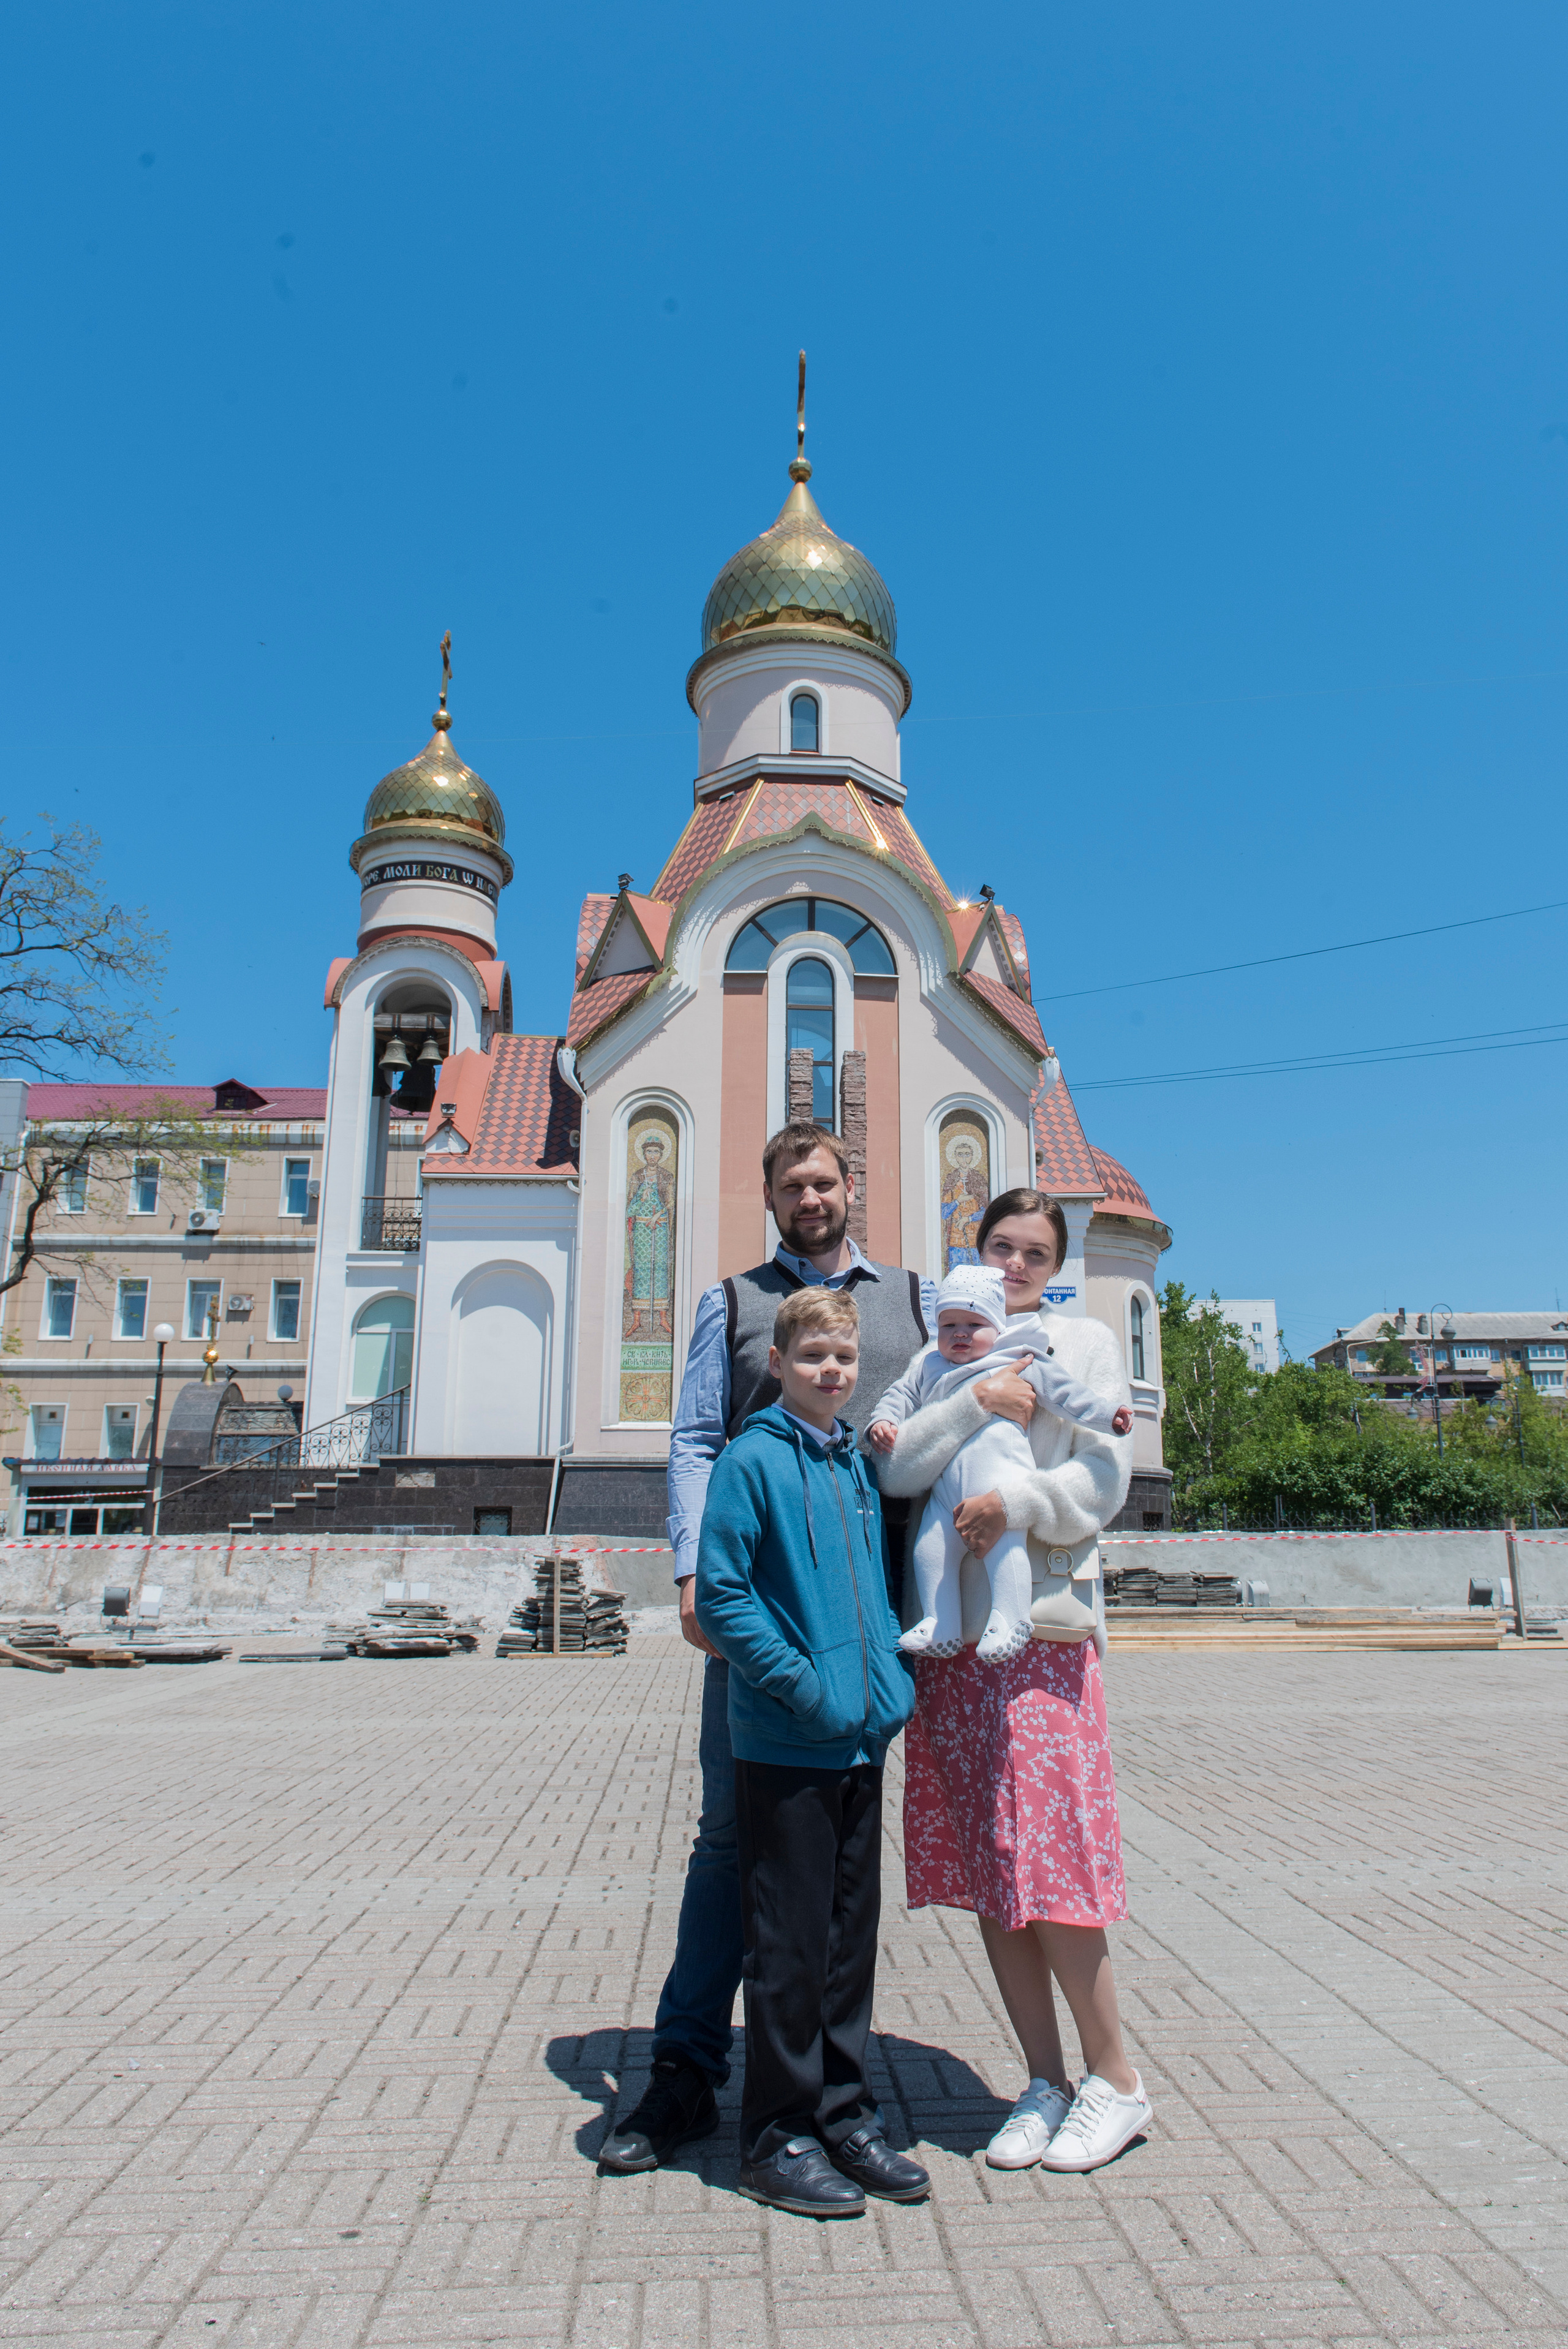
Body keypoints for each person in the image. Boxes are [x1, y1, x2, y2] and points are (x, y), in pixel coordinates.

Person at [597, 1121, 935, 2176]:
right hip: (764, 1613)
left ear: (851, 1186)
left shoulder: (913, 1299)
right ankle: (687, 2069)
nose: (811, 1197)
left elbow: (958, 1408)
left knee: (840, 1861)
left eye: (825, 1180)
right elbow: (697, 1437)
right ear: (772, 1196)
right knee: (730, 1838)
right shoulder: (735, 1303)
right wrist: (693, 1572)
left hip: (873, 1616)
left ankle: (833, 2092)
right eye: (793, 1184)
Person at [878, 1188, 1155, 2175]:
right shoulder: (946, 1342)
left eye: (1035, 1250)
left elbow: (1107, 1476)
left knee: (1057, 1858)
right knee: (996, 1863)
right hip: (957, 1645)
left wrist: (1019, 1501)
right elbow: (900, 1471)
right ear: (977, 1250)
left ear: (1056, 1262)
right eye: (1001, 1245)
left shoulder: (1079, 1342)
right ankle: (1043, 2080)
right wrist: (973, 1400)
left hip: (1041, 1626)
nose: (1016, 1264)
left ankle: (1116, 2077)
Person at [695, 1287, 927, 2215]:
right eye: (813, 1356)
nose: (831, 1370)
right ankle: (774, 2135)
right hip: (789, 1739)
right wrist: (805, 1685)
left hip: (860, 1739)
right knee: (787, 1945)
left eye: (844, 1356)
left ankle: (844, 2114)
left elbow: (876, 1583)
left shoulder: (853, 1463)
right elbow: (723, 1595)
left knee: (846, 1941)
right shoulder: (750, 1459)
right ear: (777, 1363)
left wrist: (890, 1684)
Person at [868, 1264, 1133, 1660]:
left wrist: (1108, 1415)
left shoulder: (1018, 1356)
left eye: (974, 1324)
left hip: (1000, 1479)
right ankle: (941, 1622)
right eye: (949, 1325)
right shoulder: (929, 1364)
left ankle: (1011, 1616)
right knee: (930, 1549)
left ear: (997, 1325)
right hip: (946, 1492)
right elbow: (900, 1395)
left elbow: (1068, 1395)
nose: (960, 1333)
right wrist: (883, 1421)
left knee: (1004, 1550)